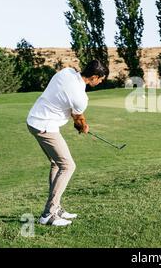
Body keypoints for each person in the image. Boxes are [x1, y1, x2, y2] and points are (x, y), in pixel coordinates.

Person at [26, 60, 107, 226]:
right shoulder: (81, 97)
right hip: (45, 126)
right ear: (93, 77)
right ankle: (48, 214)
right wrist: (84, 127)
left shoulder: (67, 72)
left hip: (34, 120)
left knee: (56, 163)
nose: (101, 82)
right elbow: (78, 120)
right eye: (101, 79)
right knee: (68, 166)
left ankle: (56, 208)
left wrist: (79, 121)